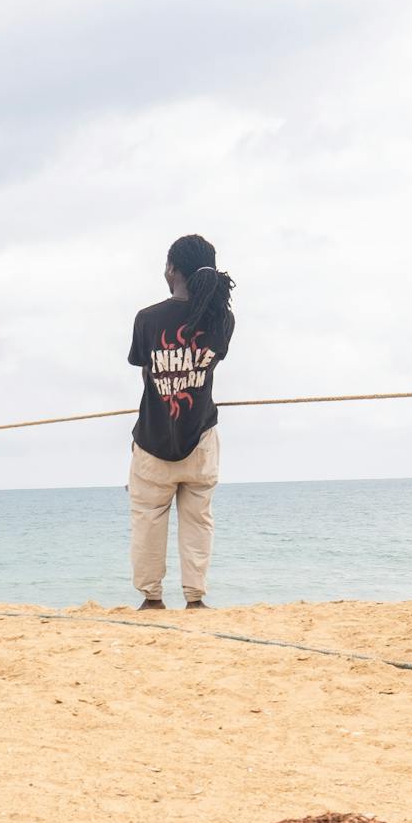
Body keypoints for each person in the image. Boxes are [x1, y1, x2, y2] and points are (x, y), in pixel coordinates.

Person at [128, 235, 236, 611]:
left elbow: (147, 375)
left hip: (153, 440)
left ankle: (152, 598)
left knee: (148, 520)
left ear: (172, 269)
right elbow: (208, 368)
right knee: (198, 520)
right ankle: (195, 599)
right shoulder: (223, 319)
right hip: (201, 435)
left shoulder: (147, 319)